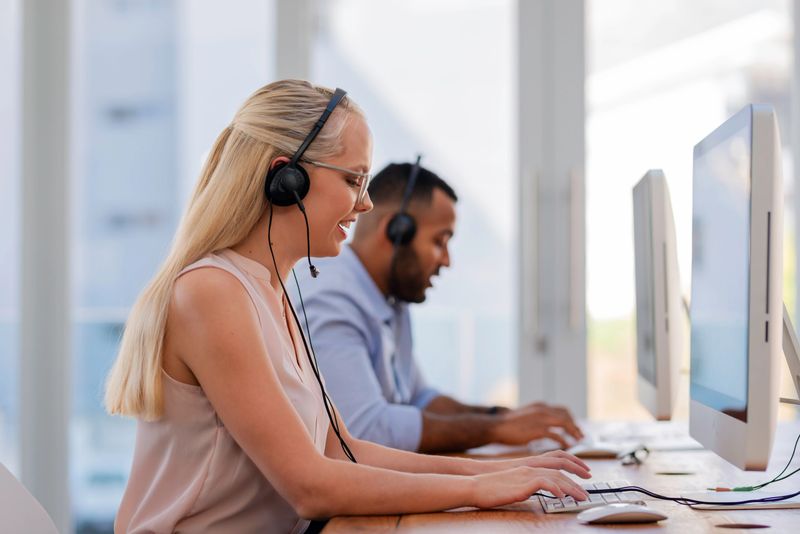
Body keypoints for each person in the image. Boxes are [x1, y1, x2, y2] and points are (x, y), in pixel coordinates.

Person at [104, 80, 589, 534]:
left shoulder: (274, 292)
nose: (365, 204)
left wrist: (501, 471)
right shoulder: (212, 292)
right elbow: (309, 487)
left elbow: (342, 450)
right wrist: (477, 489)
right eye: (354, 180)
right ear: (286, 179)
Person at [293, 162, 585, 453]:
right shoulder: (330, 298)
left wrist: (504, 417)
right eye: (439, 241)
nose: (447, 260)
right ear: (396, 231)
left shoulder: (388, 298)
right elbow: (365, 430)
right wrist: (495, 429)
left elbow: (420, 399)